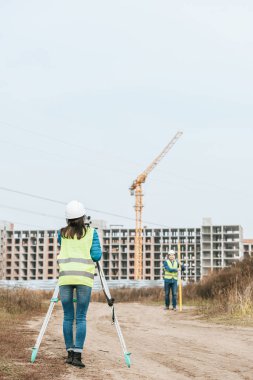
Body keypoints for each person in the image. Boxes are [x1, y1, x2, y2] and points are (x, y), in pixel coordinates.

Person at [57, 200, 102, 368]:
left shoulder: (61, 233)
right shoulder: (91, 233)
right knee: (81, 317)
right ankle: (77, 356)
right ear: (83, 217)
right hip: (83, 278)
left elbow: (64, 248)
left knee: (68, 316)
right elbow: (96, 256)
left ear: (67, 219)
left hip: (66, 278)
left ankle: (69, 353)